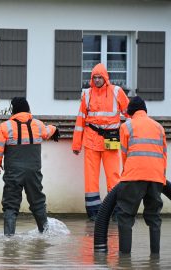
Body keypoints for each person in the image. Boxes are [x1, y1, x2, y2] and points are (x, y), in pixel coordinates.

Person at [0, 97, 60, 236]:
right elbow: (47, 131)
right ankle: (45, 235)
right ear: (28, 109)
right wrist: (55, 128)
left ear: (13, 110)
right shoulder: (38, 124)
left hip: (13, 173)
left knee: (10, 205)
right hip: (33, 173)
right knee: (38, 202)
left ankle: (9, 239)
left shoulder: (5, 127)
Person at [72, 63, 129, 221]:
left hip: (111, 138)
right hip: (91, 140)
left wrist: (133, 136)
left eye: (99, 77)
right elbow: (80, 120)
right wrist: (76, 144)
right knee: (91, 178)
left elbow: (130, 114)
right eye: (94, 77)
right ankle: (93, 212)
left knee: (113, 175)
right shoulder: (87, 94)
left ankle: (117, 210)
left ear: (105, 78)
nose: (97, 80)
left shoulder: (117, 91)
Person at [117, 96, 167, 255]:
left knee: (125, 216)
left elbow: (124, 154)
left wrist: (125, 175)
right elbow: (164, 155)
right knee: (154, 218)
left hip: (133, 176)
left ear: (130, 112)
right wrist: (161, 178)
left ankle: (124, 260)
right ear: (145, 110)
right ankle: (155, 257)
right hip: (156, 177)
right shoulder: (159, 127)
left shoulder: (127, 126)